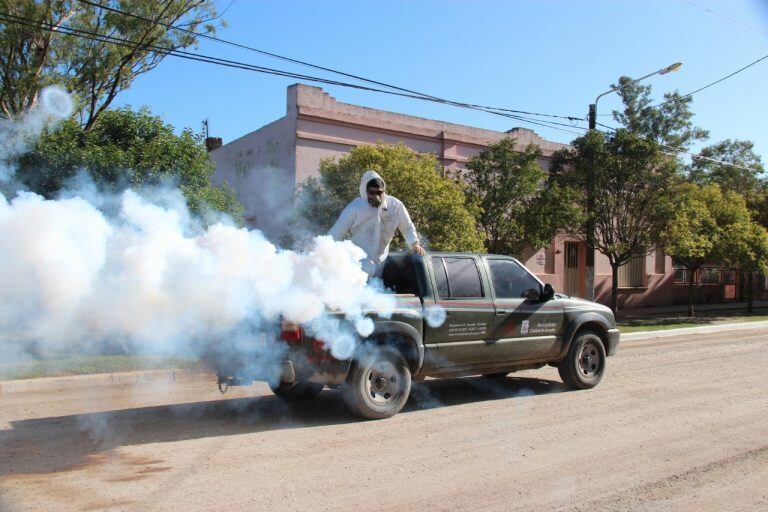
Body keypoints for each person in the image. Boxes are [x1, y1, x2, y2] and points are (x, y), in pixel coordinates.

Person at [329, 170, 426, 276]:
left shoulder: (395, 205)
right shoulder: (355, 207)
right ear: (365, 191)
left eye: (379, 192)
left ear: (384, 191)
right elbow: (337, 230)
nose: (376, 197)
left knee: (377, 289)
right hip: (358, 260)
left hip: (381, 260)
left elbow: (407, 226)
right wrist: (324, 249)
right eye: (372, 192)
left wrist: (414, 244)